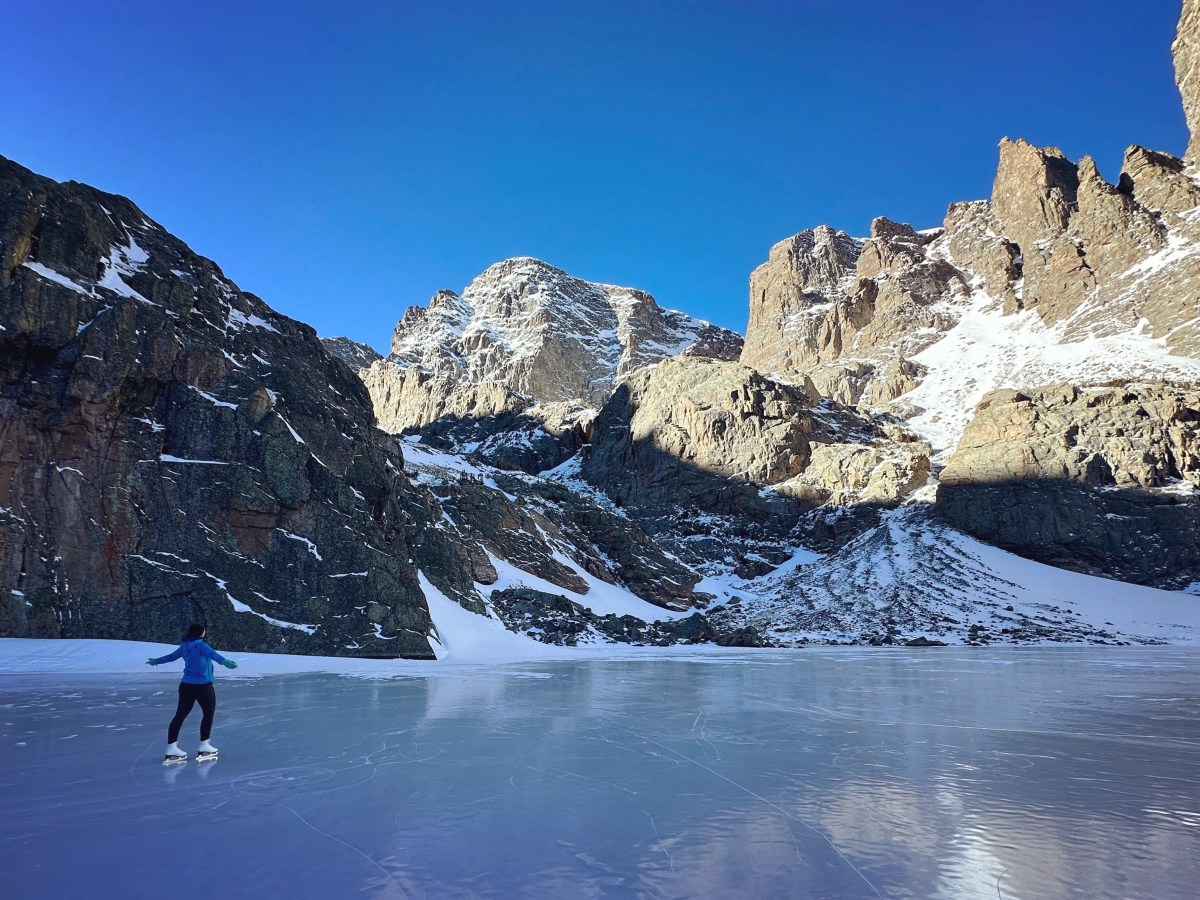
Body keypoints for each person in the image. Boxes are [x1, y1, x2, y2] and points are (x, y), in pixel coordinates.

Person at [147, 623, 237, 762]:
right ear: (201, 633)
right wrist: (226, 662)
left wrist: (155, 661)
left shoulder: (184, 647)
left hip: (186, 686)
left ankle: (171, 747)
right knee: (208, 714)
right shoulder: (201, 645)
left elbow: (171, 657)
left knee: (180, 715)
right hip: (203, 686)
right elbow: (214, 655)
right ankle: (204, 746)